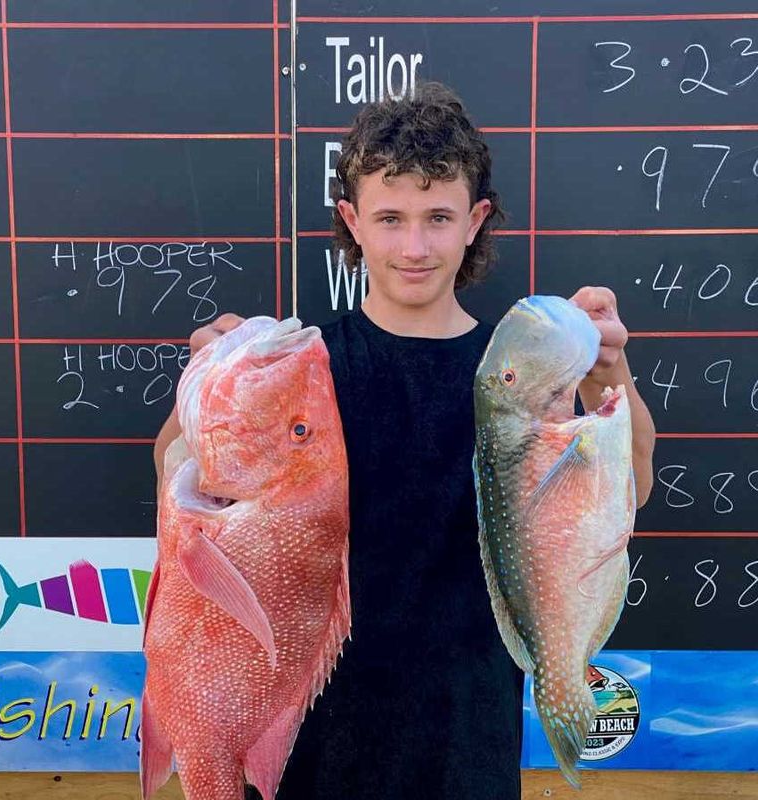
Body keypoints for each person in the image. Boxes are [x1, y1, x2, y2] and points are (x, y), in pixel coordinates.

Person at [153, 82, 656, 799]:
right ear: (352, 221)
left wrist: (610, 369)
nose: (414, 246)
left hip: (466, 741)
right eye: (390, 217)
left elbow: (632, 477)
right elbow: (178, 472)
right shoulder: (299, 365)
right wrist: (206, 379)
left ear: (475, 220)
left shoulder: (517, 374)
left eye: (438, 217)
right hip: (304, 740)